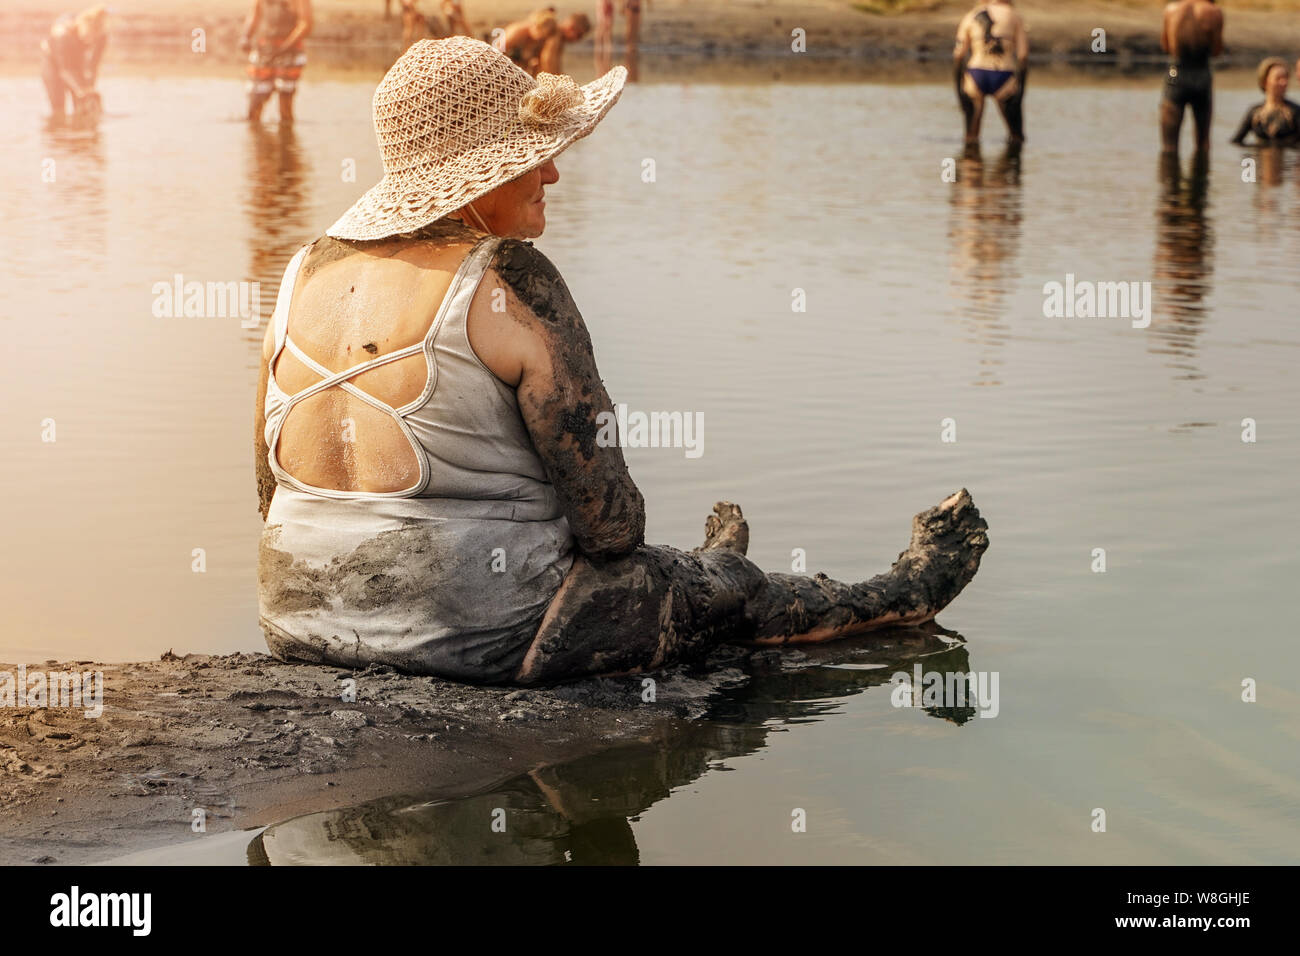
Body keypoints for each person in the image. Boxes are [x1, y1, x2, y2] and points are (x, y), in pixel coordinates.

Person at [255, 37, 990, 686]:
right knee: (729, 588)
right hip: (482, 634)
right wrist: (673, 569)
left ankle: (709, 562)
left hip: (293, 616)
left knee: (674, 570)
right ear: (479, 176)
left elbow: (268, 486)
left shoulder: (302, 273)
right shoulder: (511, 278)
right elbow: (608, 527)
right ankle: (906, 590)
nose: (551, 177)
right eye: (534, 159)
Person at [953, 1, 1029, 146]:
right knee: (1017, 138)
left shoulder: (971, 15)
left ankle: (971, 164)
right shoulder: (1013, 15)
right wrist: (1020, 93)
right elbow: (1023, 56)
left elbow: (958, 55)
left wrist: (958, 92)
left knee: (970, 138)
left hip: (975, 74)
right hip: (1004, 74)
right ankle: (1012, 165)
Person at [1159, 0, 1223, 153]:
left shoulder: (1171, 10)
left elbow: (1166, 46)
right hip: (1201, 71)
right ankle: (1201, 173)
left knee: (1169, 147)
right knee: (1203, 144)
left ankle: (1168, 176)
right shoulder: (1214, 12)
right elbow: (1216, 50)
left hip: (1176, 72)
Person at [241, 0, 313, 123]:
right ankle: (258, 139)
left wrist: (285, 46)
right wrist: (245, 36)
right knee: (255, 102)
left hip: (290, 52)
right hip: (264, 48)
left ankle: (286, 136)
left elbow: (306, 24)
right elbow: (255, 14)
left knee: (285, 104)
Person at [40, 5, 109, 120]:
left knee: (83, 102)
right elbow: (65, 69)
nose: (89, 41)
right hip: (53, 63)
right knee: (58, 106)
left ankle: (81, 132)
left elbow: (93, 66)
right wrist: (82, 90)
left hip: (76, 62)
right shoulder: (62, 34)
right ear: (80, 29)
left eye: (93, 39)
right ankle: (58, 128)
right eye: (87, 37)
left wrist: (90, 89)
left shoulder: (102, 37)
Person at [1229, 57, 1300, 146]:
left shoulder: (1295, 111)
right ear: (1265, 81)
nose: (1284, 82)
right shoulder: (1255, 112)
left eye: (1286, 78)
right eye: (1278, 78)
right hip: (1261, 158)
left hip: (1288, 159)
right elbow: (1236, 141)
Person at [491, 8, 558, 75]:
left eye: (545, 35)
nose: (541, 37)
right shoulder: (517, 32)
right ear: (535, 25)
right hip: (503, 65)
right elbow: (497, 50)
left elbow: (545, 60)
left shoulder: (539, 39)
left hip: (519, 69)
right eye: (541, 32)